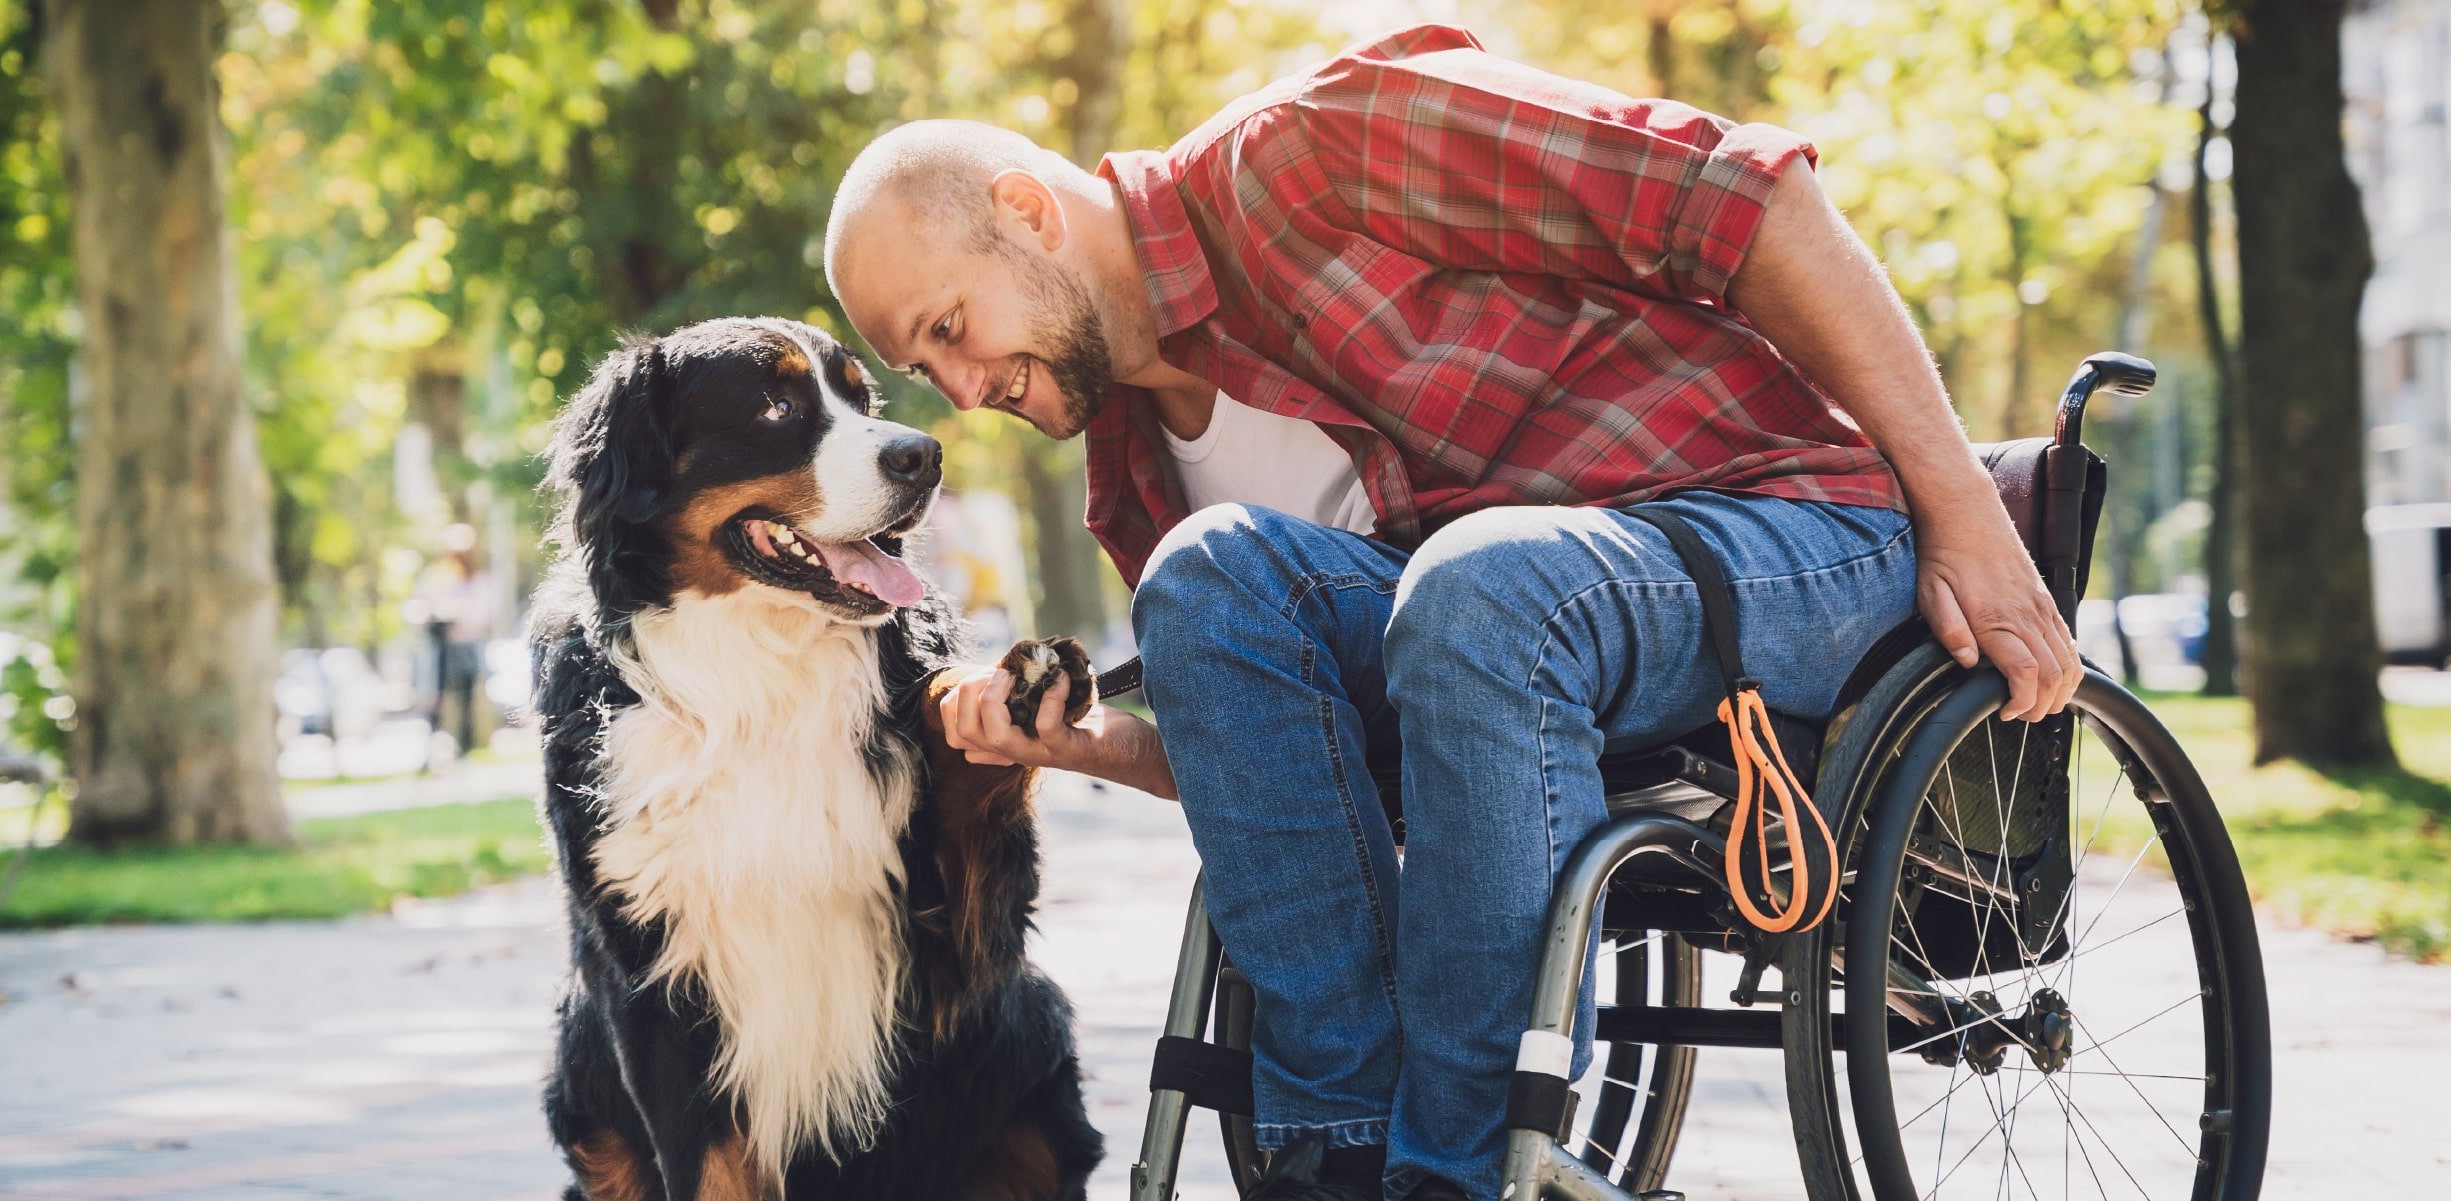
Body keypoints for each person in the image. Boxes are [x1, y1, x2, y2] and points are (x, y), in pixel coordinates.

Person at [825, 25, 2079, 1201]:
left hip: (1788, 530)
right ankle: (1339, 1150)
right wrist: (1076, 744)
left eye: (950, 329)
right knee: (1207, 579)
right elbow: (1298, 784)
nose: (961, 389)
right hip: (1516, 628)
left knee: (1479, 583)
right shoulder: (1138, 470)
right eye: (924, 369)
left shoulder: (1324, 148)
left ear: (1029, 213)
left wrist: (1962, 507)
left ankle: (1460, 1173)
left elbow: (1747, 198)